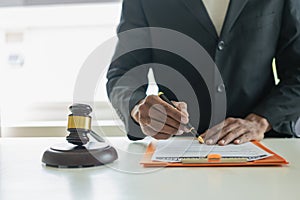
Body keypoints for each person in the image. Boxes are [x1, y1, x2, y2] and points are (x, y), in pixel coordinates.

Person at [106, 0, 300, 145]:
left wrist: (262, 120)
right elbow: (123, 73)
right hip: (179, 150)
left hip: (265, 145)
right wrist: (138, 107)